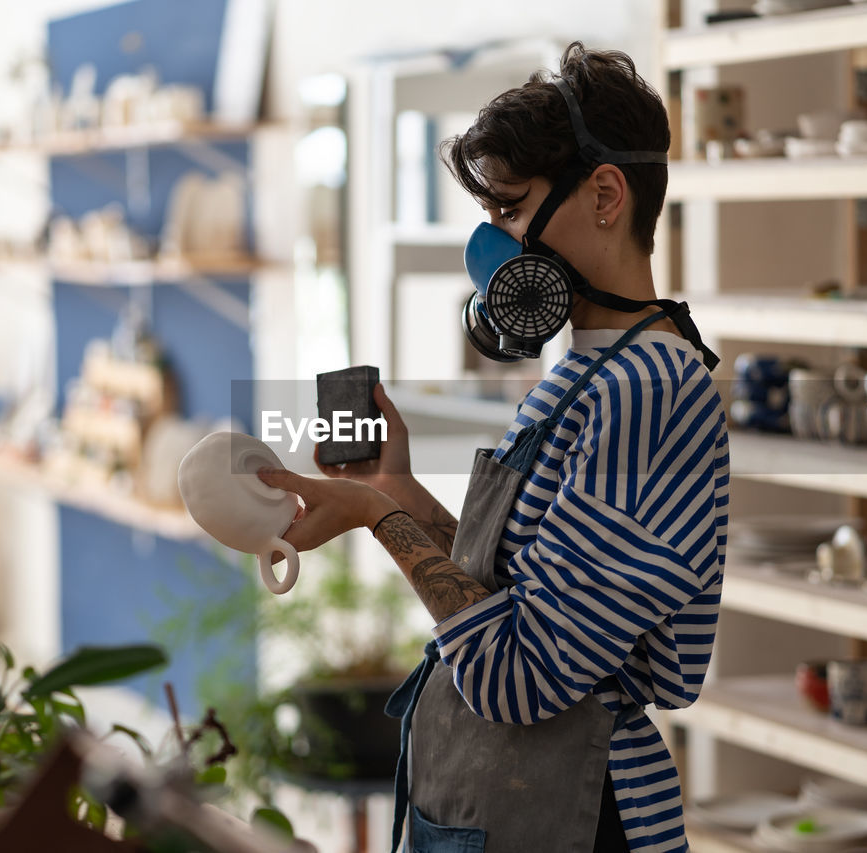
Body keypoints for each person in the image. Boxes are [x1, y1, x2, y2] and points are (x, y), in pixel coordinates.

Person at [257, 42, 729, 853]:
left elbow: (522, 672)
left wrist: (378, 517)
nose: (495, 245)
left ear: (607, 195)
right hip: (507, 800)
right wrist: (397, 486)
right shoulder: (584, 371)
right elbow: (508, 594)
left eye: (509, 211)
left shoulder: (651, 391)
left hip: (578, 815)